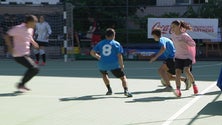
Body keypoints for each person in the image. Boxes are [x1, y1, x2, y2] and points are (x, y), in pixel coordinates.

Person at [90, 28, 132, 97]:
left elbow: (92, 52)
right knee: (123, 78)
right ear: (113, 35)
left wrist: (98, 56)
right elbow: (119, 56)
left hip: (102, 64)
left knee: (104, 74)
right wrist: (121, 65)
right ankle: (126, 91)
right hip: (114, 65)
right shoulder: (116, 44)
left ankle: (109, 89)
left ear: (106, 36)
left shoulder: (100, 43)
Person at [4, 15, 39, 92]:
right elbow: (7, 35)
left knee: (34, 69)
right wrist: (10, 47)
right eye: (34, 23)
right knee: (34, 68)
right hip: (18, 54)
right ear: (29, 22)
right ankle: (21, 84)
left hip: (26, 53)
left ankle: (22, 84)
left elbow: (29, 37)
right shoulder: (18, 28)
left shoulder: (30, 29)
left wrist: (34, 43)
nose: (35, 25)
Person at [171, 20, 198, 97]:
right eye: (171, 27)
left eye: (173, 26)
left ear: (179, 26)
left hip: (187, 56)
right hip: (178, 57)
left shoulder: (185, 36)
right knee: (177, 73)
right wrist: (174, 55)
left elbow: (193, 44)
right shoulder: (173, 35)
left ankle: (194, 85)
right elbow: (176, 46)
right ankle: (178, 90)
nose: (172, 28)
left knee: (186, 70)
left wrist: (185, 42)